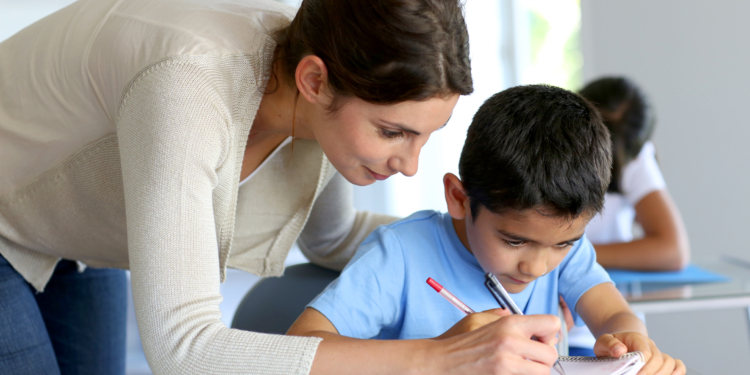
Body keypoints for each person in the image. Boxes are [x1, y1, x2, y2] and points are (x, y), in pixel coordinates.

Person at [0, 0, 563, 374]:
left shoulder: (312, 100)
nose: (411, 166)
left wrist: (525, 248)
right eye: (393, 132)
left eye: (423, 138)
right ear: (314, 80)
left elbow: (335, 237)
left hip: (67, 231)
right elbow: (183, 349)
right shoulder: (188, 90)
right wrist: (439, 359)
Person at [287, 85, 686, 375]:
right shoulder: (400, 255)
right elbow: (298, 348)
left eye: (563, 243)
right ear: (459, 198)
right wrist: (442, 353)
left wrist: (630, 342)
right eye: (514, 240)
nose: (537, 267)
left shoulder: (564, 255)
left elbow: (613, 313)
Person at [565, 76, 692, 356]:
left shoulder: (636, 157)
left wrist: (570, 255)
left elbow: (672, 251)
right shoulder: (555, 150)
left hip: (603, 329)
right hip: (554, 328)